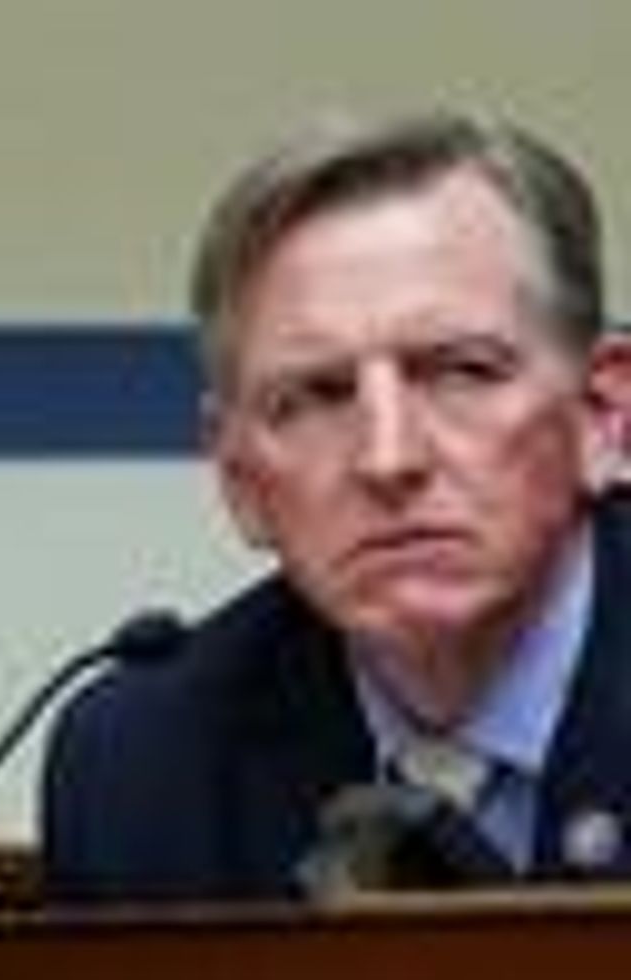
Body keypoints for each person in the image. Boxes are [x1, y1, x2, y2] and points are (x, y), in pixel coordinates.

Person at [40, 110, 631, 904]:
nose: (390, 460)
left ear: (602, 415)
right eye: (315, 396)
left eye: (460, 371)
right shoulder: (145, 766)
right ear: (238, 474)